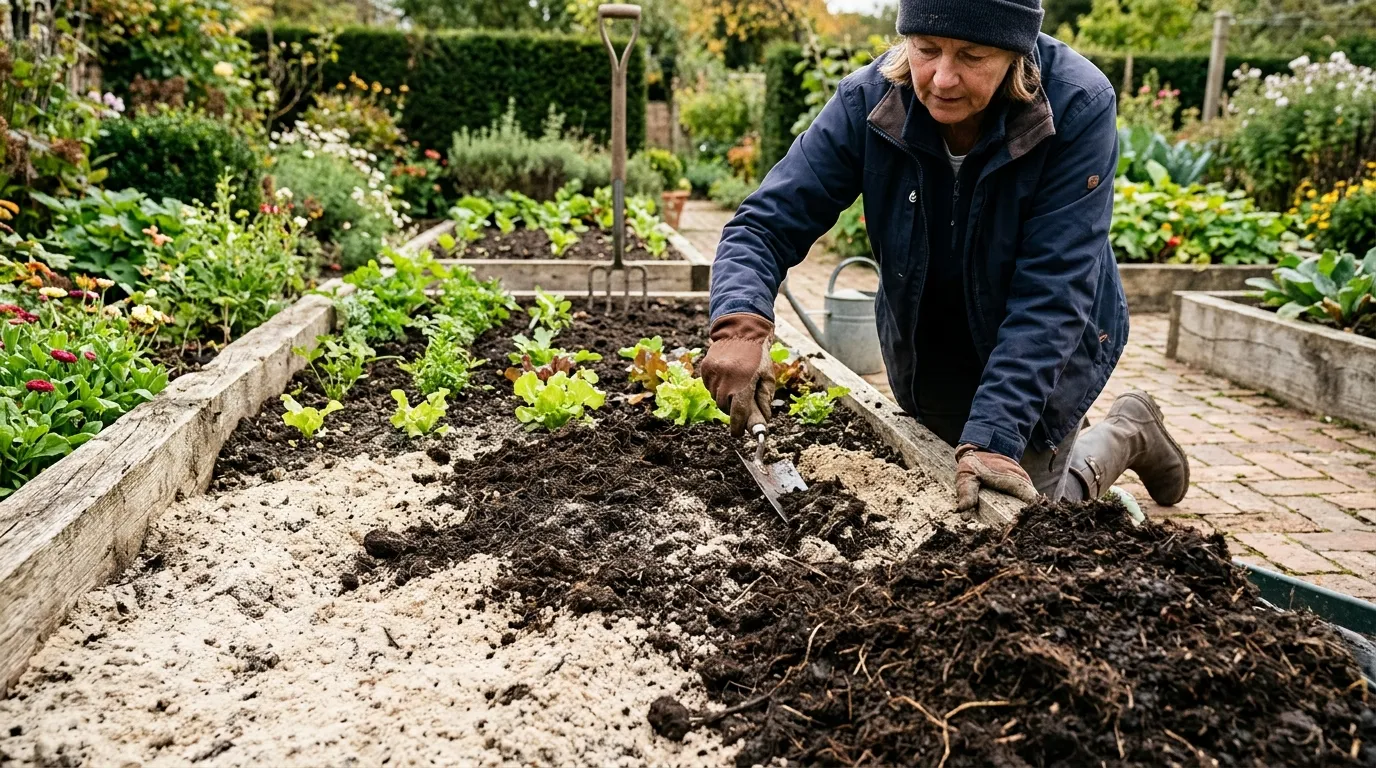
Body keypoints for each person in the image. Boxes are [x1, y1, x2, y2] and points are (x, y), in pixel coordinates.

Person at [700, 0, 1190, 513]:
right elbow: (764, 224)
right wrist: (740, 326)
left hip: (1045, 340)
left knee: (1024, 518)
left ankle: (1127, 431)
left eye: (972, 55)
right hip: (928, 345)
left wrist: (995, 437)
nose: (942, 79)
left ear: (1015, 54)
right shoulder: (869, 100)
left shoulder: (1075, 105)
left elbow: (1053, 290)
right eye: (926, 50)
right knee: (943, 497)